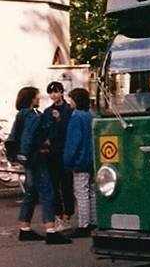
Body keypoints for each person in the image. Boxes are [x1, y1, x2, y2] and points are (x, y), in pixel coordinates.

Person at [13, 86, 71, 244]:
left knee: (30, 192)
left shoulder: (22, 114)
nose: (39, 98)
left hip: (28, 158)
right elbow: (29, 136)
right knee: (48, 191)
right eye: (37, 96)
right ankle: (50, 230)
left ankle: (25, 228)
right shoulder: (32, 116)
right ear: (32, 99)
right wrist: (25, 152)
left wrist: (21, 156)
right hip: (36, 156)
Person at [63, 88, 95, 237]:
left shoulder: (76, 118)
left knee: (81, 193)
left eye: (71, 99)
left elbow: (73, 142)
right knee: (92, 192)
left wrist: (68, 161)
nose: (70, 102)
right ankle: (94, 221)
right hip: (92, 159)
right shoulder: (91, 116)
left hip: (80, 161)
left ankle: (84, 224)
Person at [42, 81, 74, 230]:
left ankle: (68, 215)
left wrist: (59, 119)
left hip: (64, 151)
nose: (54, 95)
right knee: (53, 186)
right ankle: (59, 216)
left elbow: (69, 130)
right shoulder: (47, 112)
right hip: (51, 153)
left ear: (62, 92)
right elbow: (44, 130)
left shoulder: (69, 109)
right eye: (51, 92)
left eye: (56, 91)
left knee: (66, 185)